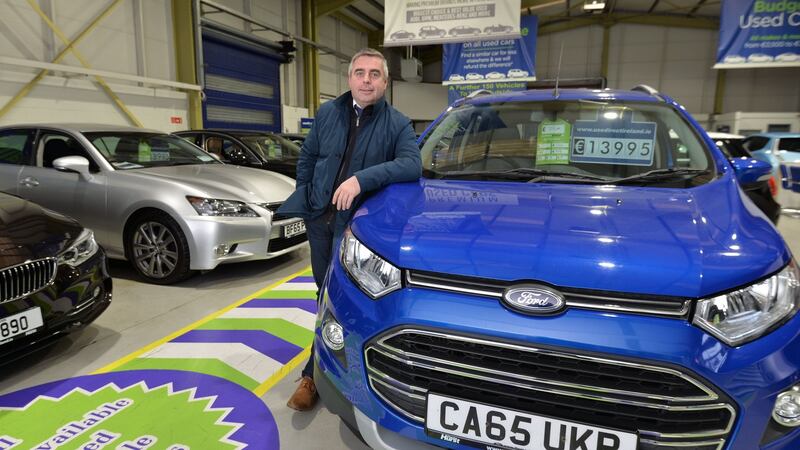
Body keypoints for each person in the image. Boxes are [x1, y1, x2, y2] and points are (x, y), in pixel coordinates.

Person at [277, 48, 422, 411]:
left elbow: (411, 164)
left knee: (354, 302)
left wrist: (361, 180)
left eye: (375, 74)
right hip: (320, 222)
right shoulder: (328, 113)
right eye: (360, 73)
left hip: (358, 232)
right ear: (349, 78)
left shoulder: (398, 124)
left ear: (385, 82)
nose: (366, 80)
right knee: (324, 296)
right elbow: (309, 157)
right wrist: (308, 196)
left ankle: (324, 374)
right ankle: (319, 370)